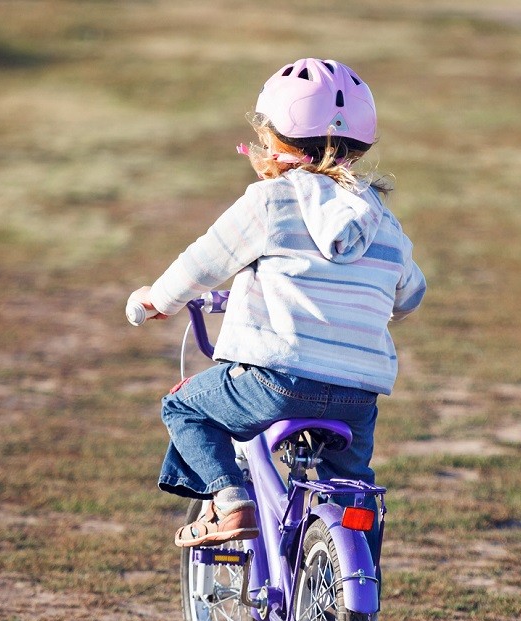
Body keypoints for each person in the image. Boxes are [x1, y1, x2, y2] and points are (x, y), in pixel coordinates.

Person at [128, 58, 425, 549]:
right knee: (353, 489)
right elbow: (411, 294)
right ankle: (357, 599)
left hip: (276, 379)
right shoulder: (382, 222)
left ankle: (231, 504)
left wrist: (156, 301)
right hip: (358, 393)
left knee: (184, 407)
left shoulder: (271, 201)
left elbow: (202, 263)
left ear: (274, 140)